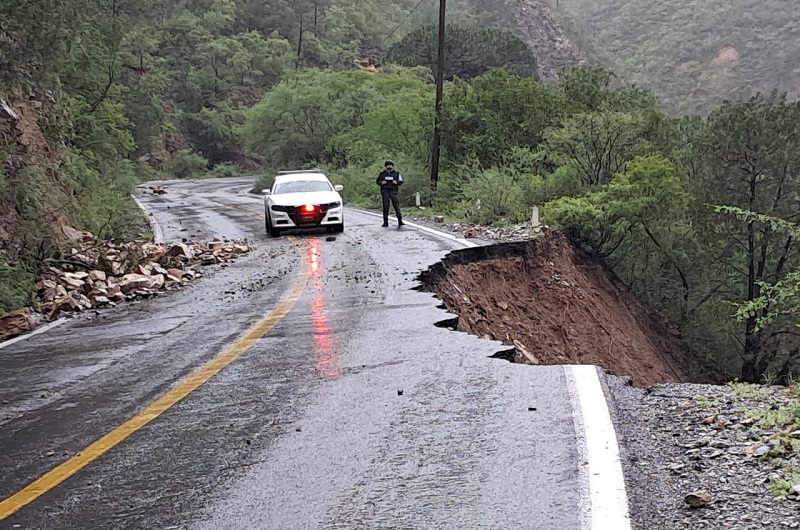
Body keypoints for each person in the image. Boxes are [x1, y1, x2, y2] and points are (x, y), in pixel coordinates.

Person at [376, 160, 404, 227]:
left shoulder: (397, 173)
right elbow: (377, 181)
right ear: (386, 166)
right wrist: (381, 182)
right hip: (385, 191)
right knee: (385, 207)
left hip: (393, 191)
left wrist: (396, 182)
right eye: (388, 165)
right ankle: (385, 222)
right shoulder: (382, 174)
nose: (389, 166)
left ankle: (400, 221)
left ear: (392, 166)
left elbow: (401, 181)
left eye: (390, 165)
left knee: (396, 206)